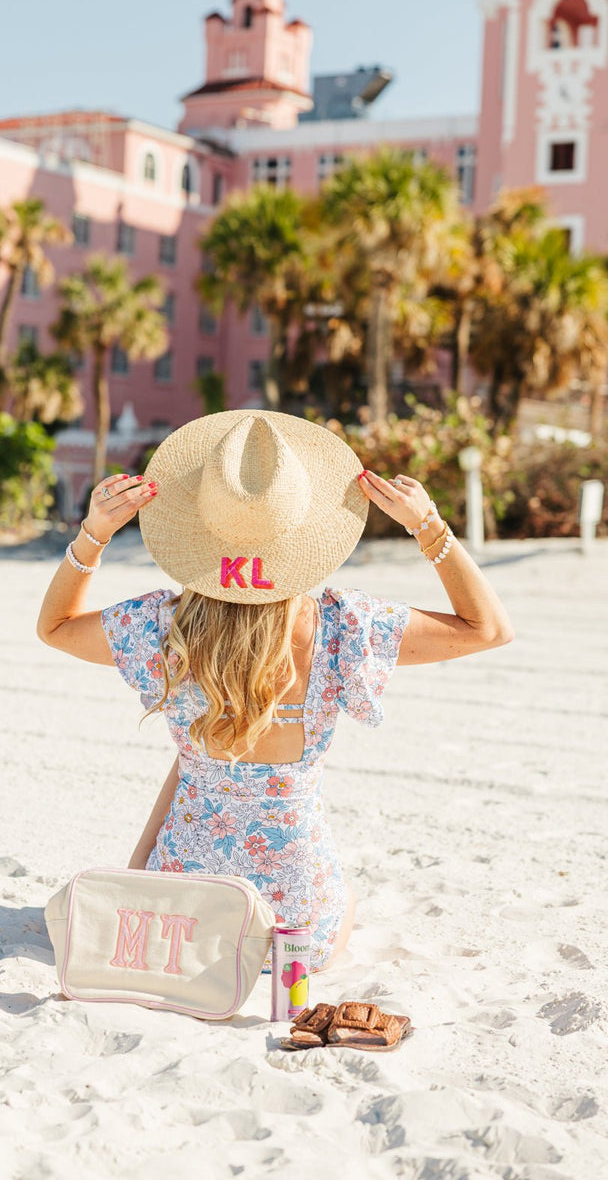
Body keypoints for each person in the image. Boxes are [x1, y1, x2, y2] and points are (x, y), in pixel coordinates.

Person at [36, 410, 513, 973]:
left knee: (195, 762)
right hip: (296, 922)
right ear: (301, 530)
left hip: (185, 909)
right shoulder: (342, 627)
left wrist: (93, 535)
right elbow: (488, 628)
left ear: (201, 526)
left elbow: (55, 627)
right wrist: (429, 527)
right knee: (346, 899)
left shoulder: (162, 626)